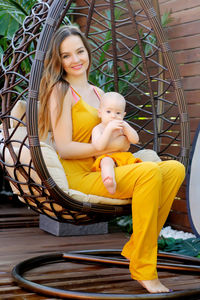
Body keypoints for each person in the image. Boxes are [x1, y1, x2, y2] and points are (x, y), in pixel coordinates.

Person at [38, 25, 185, 294]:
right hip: (80, 174)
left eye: (80, 51)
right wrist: (102, 147)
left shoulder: (98, 93)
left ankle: (134, 248)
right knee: (150, 173)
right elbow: (65, 148)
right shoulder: (59, 92)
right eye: (66, 55)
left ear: (87, 51)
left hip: (111, 166)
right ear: (58, 60)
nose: (76, 60)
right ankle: (143, 267)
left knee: (174, 168)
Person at [91, 91, 142, 194]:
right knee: (106, 162)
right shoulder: (98, 129)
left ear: (123, 115)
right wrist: (108, 130)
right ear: (100, 113)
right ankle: (109, 181)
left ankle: (139, 182)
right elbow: (98, 146)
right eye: (108, 112)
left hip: (123, 158)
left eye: (118, 113)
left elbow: (135, 140)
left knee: (135, 162)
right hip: (106, 157)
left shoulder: (122, 127)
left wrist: (126, 127)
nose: (113, 116)